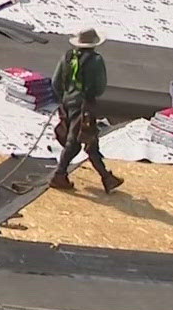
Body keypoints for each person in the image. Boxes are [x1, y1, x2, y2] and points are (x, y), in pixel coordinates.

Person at [48, 28, 123, 192]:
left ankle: (106, 177)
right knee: (79, 141)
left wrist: (65, 98)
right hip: (84, 106)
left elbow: (55, 82)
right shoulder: (96, 61)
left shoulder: (67, 57)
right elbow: (99, 87)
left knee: (87, 141)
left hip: (67, 103)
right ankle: (59, 175)